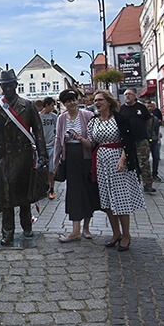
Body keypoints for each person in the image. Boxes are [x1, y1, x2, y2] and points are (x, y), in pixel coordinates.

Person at [0, 69, 48, 246]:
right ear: (2, 86)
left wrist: (43, 155)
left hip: (24, 156)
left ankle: (27, 228)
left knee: (24, 196)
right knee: (6, 199)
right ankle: (8, 232)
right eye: (4, 85)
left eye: (10, 84)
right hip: (4, 158)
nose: (8, 88)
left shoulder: (28, 105)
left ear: (15, 85)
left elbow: (39, 131)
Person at [83, 90, 145, 252]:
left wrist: (123, 159)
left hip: (118, 160)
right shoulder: (94, 122)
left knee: (121, 199)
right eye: (95, 101)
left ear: (109, 102)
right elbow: (92, 143)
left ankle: (126, 235)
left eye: (100, 100)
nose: (97, 103)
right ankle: (115, 233)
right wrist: (78, 139)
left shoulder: (120, 119)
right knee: (107, 201)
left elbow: (128, 142)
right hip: (101, 162)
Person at [53, 89, 99, 242]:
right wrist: (55, 162)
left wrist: (80, 138)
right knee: (74, 192)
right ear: (64, 104)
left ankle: (85, 228)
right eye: (68, 101)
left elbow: (94, 139)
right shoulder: (61, 118)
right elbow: (58, 140)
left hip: (85, 157)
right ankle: (75, 230)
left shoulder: (87, 115)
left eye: (73, 99)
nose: (71, 103)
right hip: (70, 158)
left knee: (87, 191)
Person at [119, 89, 155, 193]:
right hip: (128, 141)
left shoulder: (141, 107)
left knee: (143, 162)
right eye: (125, 94)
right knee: (132, 162)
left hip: (141, 139)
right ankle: (135, 183)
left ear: (134, 96)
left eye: (129, 94)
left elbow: (148, 121)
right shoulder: (121, 110)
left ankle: (148, 184)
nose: (127, 96)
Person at [39, 97, 58, 199]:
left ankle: (51, 188)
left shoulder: (54, 117)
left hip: (51, 145)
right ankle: (43, 187)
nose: (53, 107)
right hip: (41, 146)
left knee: (51, 169)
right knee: (41, 168)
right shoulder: (38, 117)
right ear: (46, 105)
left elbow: (57, 130)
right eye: (51, 105)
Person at [146, 102, 162, 182]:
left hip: (154, 139)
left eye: (150, 106)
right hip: (145, 140)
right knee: (145, 159)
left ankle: (155, 173)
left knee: (156, 157)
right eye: (147, 106)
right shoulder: (142, 118)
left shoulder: (155, 119)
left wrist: (155, 137)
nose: (149, 108)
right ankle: (146, 175)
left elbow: (156, 129)